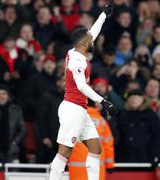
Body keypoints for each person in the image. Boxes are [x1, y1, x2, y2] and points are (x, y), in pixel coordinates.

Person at [49, 2, 117, 180]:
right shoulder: (77, 61)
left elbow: (93, 31)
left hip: (80, 109)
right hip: (72, 109)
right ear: (85, 42)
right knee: (64, 152)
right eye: (89, 38)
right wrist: (103, 100)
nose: (92, 38)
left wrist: (103, 14)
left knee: (96, 148)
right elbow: (81, 86)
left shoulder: (75, 51)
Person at [68, 103, 114, 180]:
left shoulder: (74, 120)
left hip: (76, 168)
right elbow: (108, 145)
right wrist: (110, 165)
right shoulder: (101, 121)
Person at [116, 89, 160, 163]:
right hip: (124, 159)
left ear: (143, 99)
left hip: (145, 159)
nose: (133, 100)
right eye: (131, 97)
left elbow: (157, 136)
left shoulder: (150, 115)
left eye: (137, 97)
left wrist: (154, 155)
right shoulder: (121, 115)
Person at [37, 74, 65, 163]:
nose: (67, 83)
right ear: (58, 82)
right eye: (64, 80)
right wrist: (45, 136)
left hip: (68, 143)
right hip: (51, 142)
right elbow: (41, 118)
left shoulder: (75, 98)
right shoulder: (48, 96)